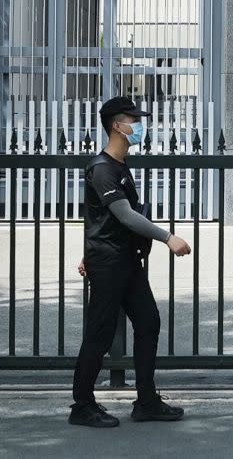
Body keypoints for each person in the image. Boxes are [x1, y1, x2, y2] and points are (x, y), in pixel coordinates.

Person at [69, 96, 191, 428]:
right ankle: (82, 405)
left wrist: (89, 248)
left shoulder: (119, 166)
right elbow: (123, 215)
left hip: (123, 260)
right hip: (109, 263)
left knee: (148, 322)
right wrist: (168, 238)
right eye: (131, 119)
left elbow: (98, 217)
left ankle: (146, 401)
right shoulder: (102, 168)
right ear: (116, 126)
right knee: (100, 332)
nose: (137, 124)